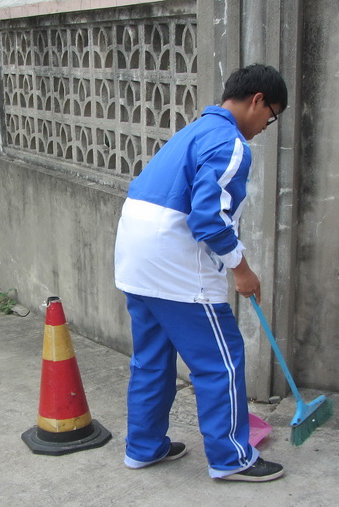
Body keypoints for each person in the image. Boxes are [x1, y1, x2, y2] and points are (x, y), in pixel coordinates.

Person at [113, 64, 288, 482]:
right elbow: (209, 218)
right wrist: (242, 270)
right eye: (271, 116)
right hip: (175, 262)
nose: (266, 127)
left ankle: (144, 448)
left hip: (135, 256)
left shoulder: (194, 131)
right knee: (220, 361)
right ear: (258, 100)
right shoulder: (230, 142)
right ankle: (231, 458)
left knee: (152, 359)